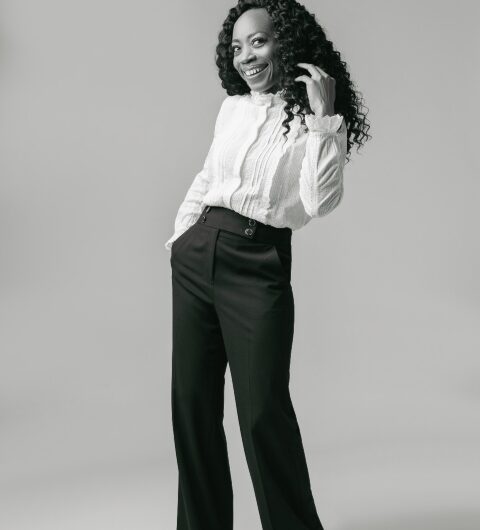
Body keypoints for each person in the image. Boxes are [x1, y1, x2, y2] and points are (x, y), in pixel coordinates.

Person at [165, 1, 371, 529]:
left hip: (258, 261)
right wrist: (181, 241)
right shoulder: (233, 108)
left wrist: (323, 117)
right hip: (198, 255)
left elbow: (319, 202)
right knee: (192, 408)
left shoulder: (314, 122)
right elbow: (208, 178)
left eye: (257, 41)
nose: (245, 57)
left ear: (287, 43)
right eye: (237, 47)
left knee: (262, 413)